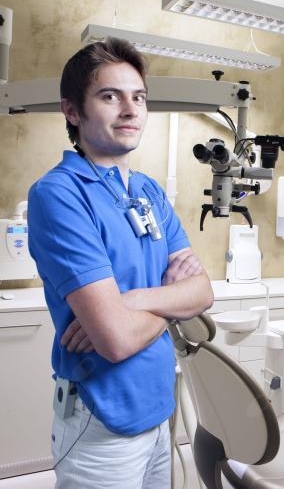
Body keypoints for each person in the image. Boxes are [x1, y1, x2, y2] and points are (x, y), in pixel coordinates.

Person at [28, 37, 214, 488]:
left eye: (139, 97)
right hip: (100, 420)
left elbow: (203, 291)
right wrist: (171, 302)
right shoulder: (60, 195)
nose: (131, 110)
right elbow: (115, 340)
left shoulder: (147, 190)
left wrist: (129, 301)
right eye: (110, 96)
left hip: (158, 409)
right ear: (72, 111)